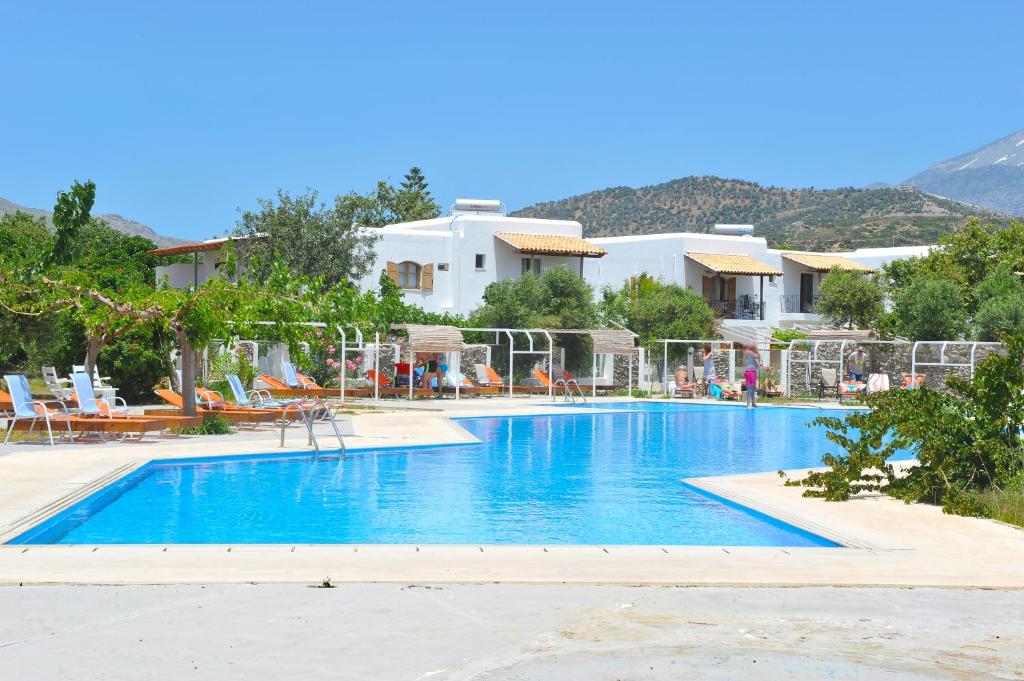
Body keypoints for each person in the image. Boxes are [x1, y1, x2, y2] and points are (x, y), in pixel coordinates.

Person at [743, 342, 761, 409]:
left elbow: (758, 358)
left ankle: (753, 403)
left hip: (752, 372)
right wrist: (756, 350)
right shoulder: (748, 352)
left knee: (753, 388)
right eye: (754, 346)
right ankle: (748, 404)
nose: (755, 347)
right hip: (750, 372)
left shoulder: (749, 352)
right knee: (749, 388)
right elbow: (758, 356)